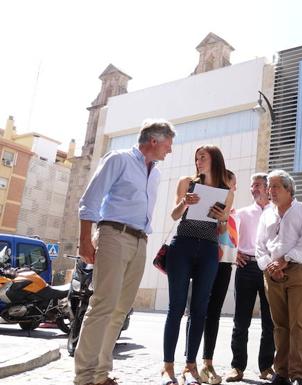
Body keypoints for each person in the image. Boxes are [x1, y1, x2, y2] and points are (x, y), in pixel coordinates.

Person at [74, 119, 175, 385]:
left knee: (120, 310)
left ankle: (101, 373)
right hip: (113, 235)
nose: (170, 150)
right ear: (154, 140)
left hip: (140, 240)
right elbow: (90, 200)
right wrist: (85, 240)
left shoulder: (156, 173)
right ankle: (85, 377)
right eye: (168, 143)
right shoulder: (118, 159)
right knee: (103, 305)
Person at [161, 145, 233, 385]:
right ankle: (168, 367)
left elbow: (221, 229)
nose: (198, 161)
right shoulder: (186, 182)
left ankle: (191, 366)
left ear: (215, 160)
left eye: (203, 157)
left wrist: (223, 219)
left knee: (200, 309)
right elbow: (173, 215)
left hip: (209, 250)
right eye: (196, 158)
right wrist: (185, 202)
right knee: (176, 307)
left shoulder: (226, 191)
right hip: (182, 245)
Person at [256, 170, 302, 385]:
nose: (270, 191)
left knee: (298, 323)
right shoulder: (266, 214)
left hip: (298, 270)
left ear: (289, 189)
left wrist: (286, 260)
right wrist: (270, 266)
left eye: (275, 187)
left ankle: (298, 374)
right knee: (279, 325)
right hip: (272, 273)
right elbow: (259, 246)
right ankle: (281, 372)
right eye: (268, 187)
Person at [225, 173, 275, 383]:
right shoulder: (242, 213)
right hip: (246, 268)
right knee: (241, 320)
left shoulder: (277, 213)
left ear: (267, 188)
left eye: (257, 185)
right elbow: (226, 233)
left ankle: (266, 367)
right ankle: (237, 367)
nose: (253, 188)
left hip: (269, 269)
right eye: (252, 185)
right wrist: (234, 252)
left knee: (269, 322)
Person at [199, 170, 239, 385]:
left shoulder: (234, 213)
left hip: (224, 266)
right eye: (232, 185)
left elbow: (231, 241)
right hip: (206, 262)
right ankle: (191, 363)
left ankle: (208, 362)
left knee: (213, 313)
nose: (234, 189)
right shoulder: (209, 206)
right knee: (197, 311)